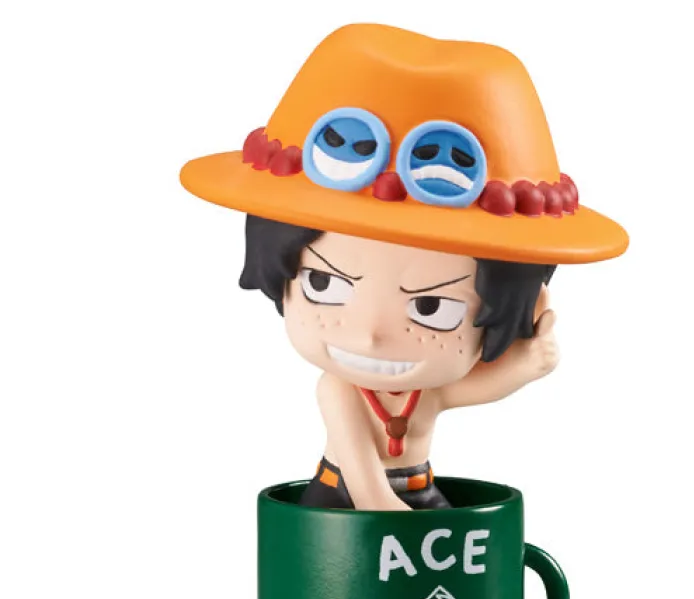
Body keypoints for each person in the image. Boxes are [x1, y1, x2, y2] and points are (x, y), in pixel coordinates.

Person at [180, 23, 628, 510]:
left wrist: (527, 363)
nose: (370, 334)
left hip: (419, 489)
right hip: (341, 499)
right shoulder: (338, 390)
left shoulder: (425, 394)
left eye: (432, 307)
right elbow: (361, 472)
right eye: (324, 283)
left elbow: (473, 389)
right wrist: (392, 520)